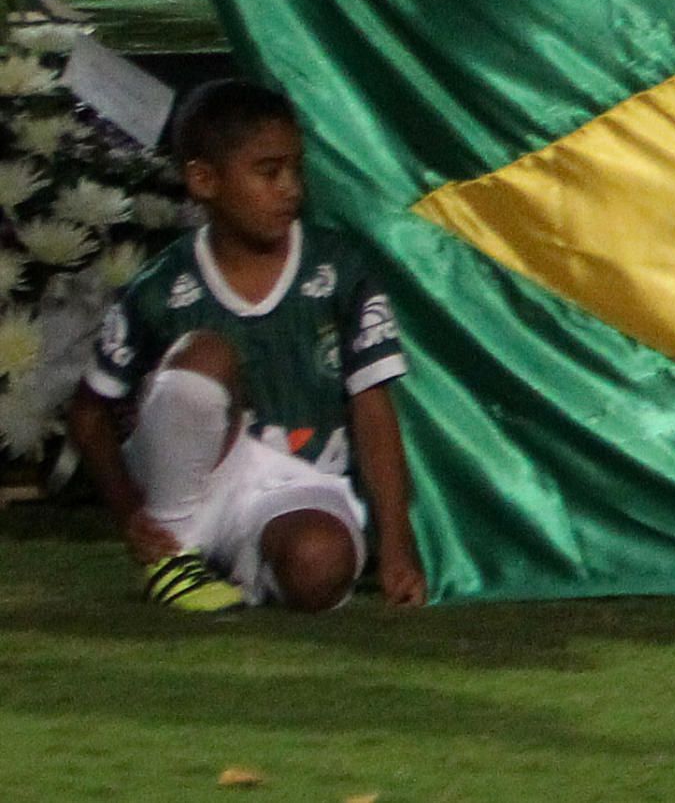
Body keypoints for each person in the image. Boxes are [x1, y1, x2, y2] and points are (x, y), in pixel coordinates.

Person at [63, 82, 422, 613]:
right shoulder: (162, 288)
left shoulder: (340, 270)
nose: (291, 189)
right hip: (194, 484)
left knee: (319, 566)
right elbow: (89, 412)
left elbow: (372, 405)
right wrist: (131, 517)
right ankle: (175, 556)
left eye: (296, 169)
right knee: (205, 355)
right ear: (204, 180)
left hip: (301, 485)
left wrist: (395, 542)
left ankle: (245, 571)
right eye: (268, 172)